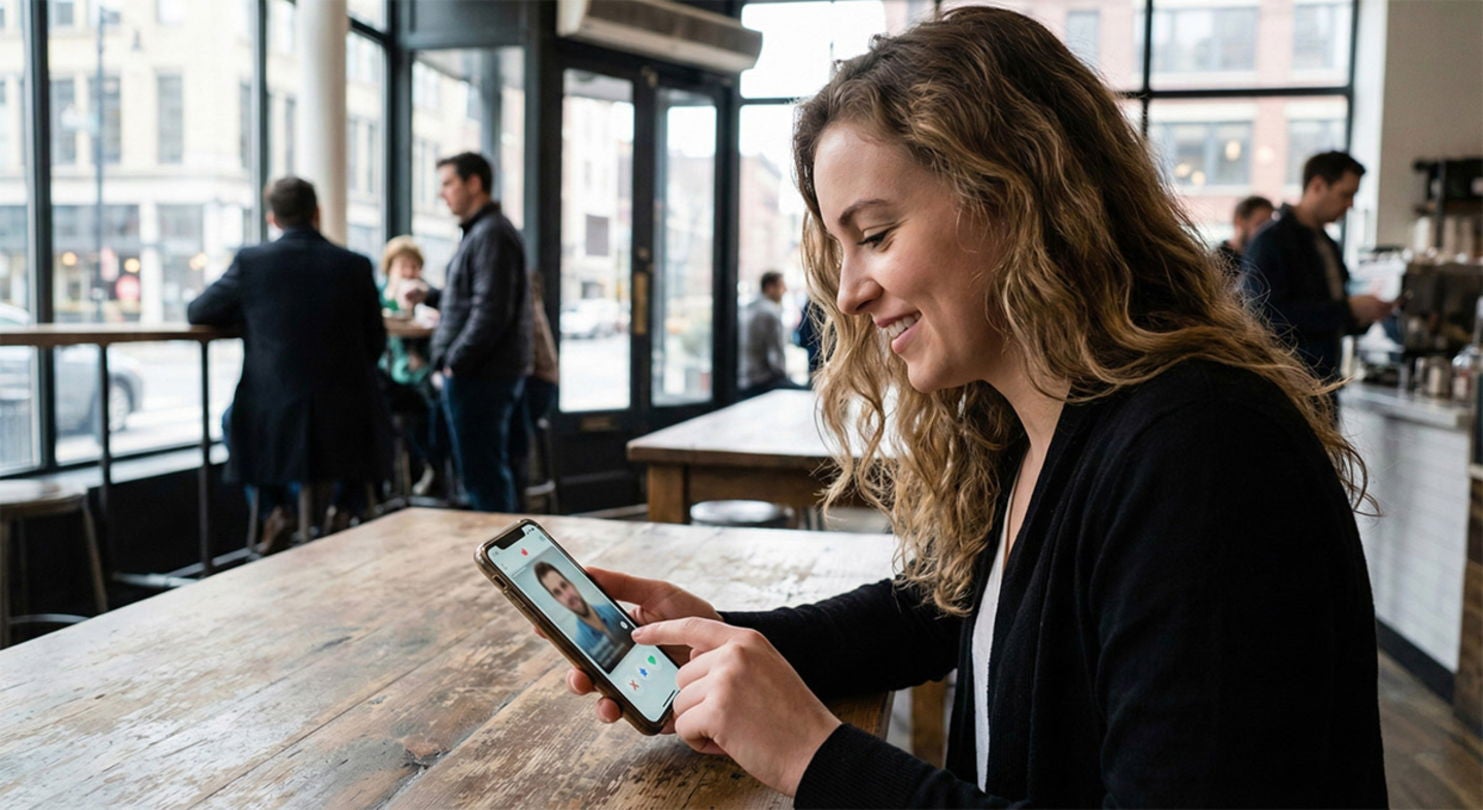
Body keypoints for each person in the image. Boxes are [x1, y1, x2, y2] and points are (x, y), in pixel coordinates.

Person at [560, 8, 1387, 807]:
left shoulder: (1202, 454)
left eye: (875, 235)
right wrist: (728, 641)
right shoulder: (1046, 423)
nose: (847, 293)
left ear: (1017, 196)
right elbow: (939, 609)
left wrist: (812, 755)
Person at [189, 177, 390, 551]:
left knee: (234, 422)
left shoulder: (252, 263)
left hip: (274, 409)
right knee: (366, 423)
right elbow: (375, 342)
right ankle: (346, 508)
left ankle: (275, 509)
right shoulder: (355, 265)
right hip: (348, 410)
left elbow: (199, 311)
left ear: (273, 219)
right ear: (317, 213)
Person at [405, 152, 532, 513]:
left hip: (481, 375)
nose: (442, 194)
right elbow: (472, 300)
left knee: (483, 478)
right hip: (481, 372)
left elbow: (490, 311)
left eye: (448, 184)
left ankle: (501, 548)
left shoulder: (491, 234)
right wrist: (431, 295)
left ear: (474, 183)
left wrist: (454, 363)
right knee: (483, 474)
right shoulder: (483, 232)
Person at [1243, 152, 1393, 389]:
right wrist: (1347, 310)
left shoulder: (1327, 243)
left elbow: (1330, 315)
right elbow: (1264, 316)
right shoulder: (1271, 240)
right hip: (1285, 384)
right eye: (1345, 194)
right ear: (1317, 186)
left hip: (1324, 381)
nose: (1350, 204)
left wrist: (1363, 314)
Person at [378, 235, 447, 496]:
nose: (409, 272)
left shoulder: (427, 296)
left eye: (415, 266)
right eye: (403, 266)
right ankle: (394, 481)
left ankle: (432, 468)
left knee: (431, 402)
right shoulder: (378, 297)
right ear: (390, 268)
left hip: (420, 375)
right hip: (387, 375)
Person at [510, 276, 559, 509]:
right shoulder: (523, 289)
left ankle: (513, 505)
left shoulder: (518, 296)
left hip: (536, 382)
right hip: (539, 380)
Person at [535, 561, 633, 672]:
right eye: (558, 593)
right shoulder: (582, 645)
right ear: (556, 600)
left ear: (572, 584)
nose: (567, 596)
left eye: (564, 586)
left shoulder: (613, 610)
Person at [738, 270, 804, 399]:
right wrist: (783, 376)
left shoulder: (749, 308)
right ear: (770, 287)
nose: (785, 290)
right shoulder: (769, 313)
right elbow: (776, 352)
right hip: (762, 381)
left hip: (744, 378)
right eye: (782, 286)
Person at [1214, 194, 1274, 277]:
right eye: (1260, 224)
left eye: (1269, 226)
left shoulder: (1266, 259)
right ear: (1239, 221)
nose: (1265, 232)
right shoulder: (1216, 262)